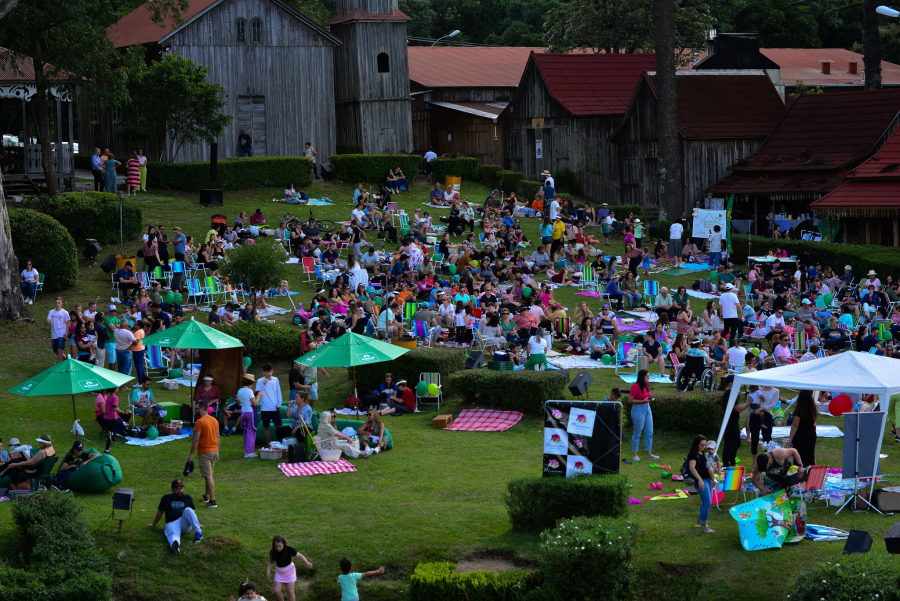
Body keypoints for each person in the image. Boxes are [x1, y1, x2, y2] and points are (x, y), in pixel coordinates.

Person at [149, 479, 202, 554]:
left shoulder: (188, 498)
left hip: (184, 524)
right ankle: (175, 547)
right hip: (171, 523)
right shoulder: (166, 498)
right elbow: (160, 512)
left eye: (181, 488)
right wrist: (154, 524)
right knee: (172, 535)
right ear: (172, 489)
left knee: (188, 510)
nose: (180, 491)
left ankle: (198, 533)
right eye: (177, 489)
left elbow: (192, 513)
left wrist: (196, 524)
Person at [187, 401, 219, 508]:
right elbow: (217, 436)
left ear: (201, 409)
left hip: (205, 452)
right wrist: (217, 450)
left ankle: (213, 501)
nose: (195, 410)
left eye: (196, 408)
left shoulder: (199, 422)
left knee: (208, 476)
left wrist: (191, 454)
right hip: (214, 451)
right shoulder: (214, 420)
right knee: (208, 475)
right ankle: (206, 495)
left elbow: (196, 439)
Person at [267, 535, 313, 601]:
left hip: (289, 572)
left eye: (280, 546)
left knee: (290, 592)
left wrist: (307, 562)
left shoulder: (289, 549)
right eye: (276, 546)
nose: (278, 548)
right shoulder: (273, 552)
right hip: (279, 572)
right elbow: (271, 562)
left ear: (284, 544)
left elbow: (299, 556)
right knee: (276, 591)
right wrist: (268, 570)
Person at [686, 434, 715, 534]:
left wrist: (712, 479)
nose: (704, 447)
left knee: (706, 502)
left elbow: (707, 467)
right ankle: (703, 526)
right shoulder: (693, 454)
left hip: (707, 480)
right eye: (702, 445)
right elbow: (691, 468)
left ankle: (699, 520)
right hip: (701, 481)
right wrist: (700, 480)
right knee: (707, 503)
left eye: (705, 445)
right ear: (697, 444)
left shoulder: (702, 453)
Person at [628, 370, 658, 463]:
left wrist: (647, 400)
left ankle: (649, 453)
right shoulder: (635, 386)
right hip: (638, 409)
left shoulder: (646, 385)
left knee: (649, 431)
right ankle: (635, 454)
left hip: (647, 407)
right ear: (642, 377)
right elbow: (630, 400)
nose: (648, 378)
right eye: (647, 376)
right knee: (638, 431)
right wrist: (642, 401)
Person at [719, 375, 747, 468]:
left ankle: (732, 461)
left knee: (736, 442)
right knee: (729, 443)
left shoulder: (731, 393)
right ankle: (727, 464)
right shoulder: (729, 394)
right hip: (729, 422)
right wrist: (749, 403)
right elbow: (738, 409)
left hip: (733, 421)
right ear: (731, 383)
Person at [789, 390, 818, 467]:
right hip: (811, 433)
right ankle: (811, 472)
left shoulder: (798, 410)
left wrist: (791, 437)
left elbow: (795, 425)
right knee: (810, 454)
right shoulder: (813, 409)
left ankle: (801, 473)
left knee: (800, 454)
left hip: (800, 434)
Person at [256, 364, 283, 447]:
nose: (269, 373)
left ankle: (281, 443)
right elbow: (258, 393)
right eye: (267, 372)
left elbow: (278, 392)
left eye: (270, 371)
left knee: (279, 425)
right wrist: (264, 385)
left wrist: (279, 404)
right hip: (265, 408)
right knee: (266, 426)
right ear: (263, 372)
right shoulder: (260, 381)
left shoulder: (275, 380)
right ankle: (269, 444)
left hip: (275, 407)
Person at [236, 374, 261, 457]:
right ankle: (249, 452)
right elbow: (254, 403)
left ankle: (247, 450)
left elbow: (239, 403)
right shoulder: (249, 391)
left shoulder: (239, 390)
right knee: (251, 431)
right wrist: (259, 397)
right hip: (250, 411)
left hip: (243, 412)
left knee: (246, 431)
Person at [46, 296, 71, 363]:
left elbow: (67, 324)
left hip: (61, 332)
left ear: (61, 303)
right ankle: (65, 357)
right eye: (56, 303)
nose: (57, 304)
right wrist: (47, 322)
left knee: (60, 349)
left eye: (59, 303)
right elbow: (48, 319)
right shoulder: (51, 312)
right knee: (55, 350)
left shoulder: (65, 312)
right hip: (54, 333)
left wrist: (67, 333)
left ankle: (58, 364)